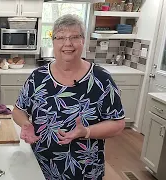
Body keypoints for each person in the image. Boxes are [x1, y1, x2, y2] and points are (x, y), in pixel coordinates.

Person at [12, 14, 125, 180]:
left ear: (83, 41)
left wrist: (86, 131)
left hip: (84, 171)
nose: (67, 43)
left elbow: (118, 123)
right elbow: (18, 110)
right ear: (53, 42)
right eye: (61, 37)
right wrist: (25, 123)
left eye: (74, 37)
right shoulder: (38, 77)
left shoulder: (101, 80)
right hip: (40, 166)